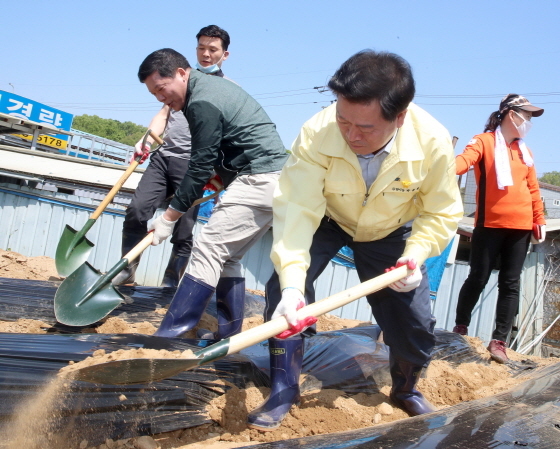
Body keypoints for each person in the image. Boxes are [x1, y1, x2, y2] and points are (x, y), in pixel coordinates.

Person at [247, 50, 463, 431]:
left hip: (391, 229)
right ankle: (283, 388)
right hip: (328, 218)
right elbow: (297, 209)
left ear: (400, 116)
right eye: (343, 120)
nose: (351, 135)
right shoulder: (317, 131)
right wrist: (295, 286)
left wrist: (415, 255)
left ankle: (406, 388)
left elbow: (441, 211)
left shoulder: (433, 141)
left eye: (365, 128)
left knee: (413, 318)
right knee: (283, 288)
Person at [137, 48, 288, 340]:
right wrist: (220, 179)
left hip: (259, 177)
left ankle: (171, 336)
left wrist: (168, 218)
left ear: (181, 73)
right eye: (154, 93)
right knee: (226, 256)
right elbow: (224, 149)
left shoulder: (202, 101)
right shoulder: (205, 91)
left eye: (161, 88)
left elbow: (199, 164)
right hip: (273, 178)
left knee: (207, 247)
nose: (160, 98)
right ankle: (227, 336)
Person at [113, 25, 231, 288]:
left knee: (183, 227)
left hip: (194, 166)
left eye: (213, 49)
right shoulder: (179, 81)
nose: (206, 54)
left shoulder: (225, 89)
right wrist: (145, 139)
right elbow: (162, 116)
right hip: (164, 157)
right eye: (201, 48)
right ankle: (126, 271)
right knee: (136, 210)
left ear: (225, 55)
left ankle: (171, 281)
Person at [453, 94, 546, 364]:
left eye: (530, 117)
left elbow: (533, 188)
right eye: (525, 114)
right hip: (489, 224)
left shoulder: (524, 151)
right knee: (478, 277)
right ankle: (460, 327)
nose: (527, 121)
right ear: (508, 113)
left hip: (521, 227)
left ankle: (499, 341)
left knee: (510, 283)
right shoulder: (484, 141)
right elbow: (465, 161)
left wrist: (538, 220)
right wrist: (446, 167)